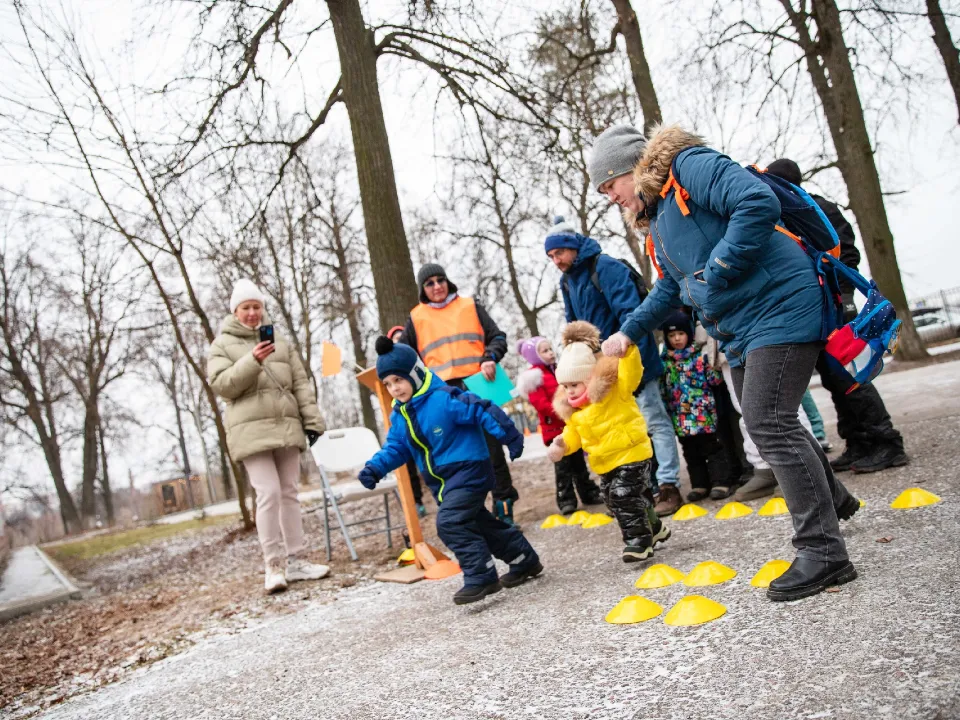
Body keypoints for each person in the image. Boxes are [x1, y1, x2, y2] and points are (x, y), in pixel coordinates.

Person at [591, 124, 859, 601]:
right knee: (769, 422)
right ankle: (832, 500)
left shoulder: (689, 167)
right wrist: (628, 333)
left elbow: (757, 203)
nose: (610, 197)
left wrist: (718, 269)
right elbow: (670, 288)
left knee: (769, 420)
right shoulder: (661, 220)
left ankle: (823, 552)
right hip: (739, 326)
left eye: (609, 185)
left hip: (780, 304)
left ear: (630, 168)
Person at [358, 336, 542, 605]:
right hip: (444, 482)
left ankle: (481, 575)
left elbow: (481, 409)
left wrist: (509, 435)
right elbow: (396, 447)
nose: (394, 389)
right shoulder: (400, 415)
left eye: (398, 380)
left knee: (450, 522)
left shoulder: (443, 398)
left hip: (470, 470)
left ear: (415, 373)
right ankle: (523, 559)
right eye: (388, 384)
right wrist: (375, 468)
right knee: (478, 522)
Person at [766, 159, 908, 473]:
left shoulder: (817, 209)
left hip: (835, 305)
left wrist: (842, 297)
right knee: (833, 378)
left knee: (850, 374)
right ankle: (858, 442)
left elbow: (847, 254)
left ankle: (887, 442)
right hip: (814, 308)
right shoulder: (785, 214)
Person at [544, 217, 684, 517]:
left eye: (558, 254)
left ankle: (669, 485)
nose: (555, 261)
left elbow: (631, 313)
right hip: (599, 371)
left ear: (571, 247)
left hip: (633, 358)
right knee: (618, 428)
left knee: (653, 422)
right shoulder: (567, 281)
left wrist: (625, 349)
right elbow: (575, 327)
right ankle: (637, 491)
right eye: (551, 257)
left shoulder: (605, 267)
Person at [208, 279, 330, 594]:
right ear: (235, 311)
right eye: (246, 308)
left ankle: (297, 559)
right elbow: (223, 385)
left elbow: (300, 382)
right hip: (250, 431)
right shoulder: (221, 345)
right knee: (269, 493)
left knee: (289, 492)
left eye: (256, 307)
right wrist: (254, 360)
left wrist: (312, 420)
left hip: (286, 424)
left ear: (262, 309)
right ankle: (273, 565)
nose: (252, 313)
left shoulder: (282, 342)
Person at [399, 264, 520, 525]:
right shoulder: (416, 317)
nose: (436, 286)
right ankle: (471, 514)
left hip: (479, 384)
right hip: (442, 394)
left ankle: (504, 506)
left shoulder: (469, 306)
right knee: (457, 453)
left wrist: (490, 357)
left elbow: (497, 337)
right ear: (422, 289)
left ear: (448, 281)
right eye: (429, 283)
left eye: (440, 280)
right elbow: (404, 356)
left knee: (492, 448)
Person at [546, 322, 670, 563]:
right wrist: (562, 445)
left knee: (623, 494)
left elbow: (630, 372)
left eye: (575, 384)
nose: (570, 391)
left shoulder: (615, 390)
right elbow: (574, 434)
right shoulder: (575, 412)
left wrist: (628, 350)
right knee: (615, 500)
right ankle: (654, 528)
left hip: (632, 452)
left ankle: (638, 543)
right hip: (606, 463)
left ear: (589, 378)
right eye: (565, 386)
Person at [515, 336, 602, 514]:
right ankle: (566, 499)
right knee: (563, 467)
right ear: (534, 356)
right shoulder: (534, 377)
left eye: (550, 349)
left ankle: (589, 493)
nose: (550, 353)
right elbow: (540, 403)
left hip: (570, 426)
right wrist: (562, 409)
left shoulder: (559, 371)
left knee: (579, 464)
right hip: (553, 429)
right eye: (544, 351)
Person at [659, 311, 731, 501]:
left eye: (680, 334)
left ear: (688, 334)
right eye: (672, 335)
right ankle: (699, 484)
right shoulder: (665, 362)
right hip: (681, 417)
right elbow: (663, 389)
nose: (676, 339)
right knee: (691, 452)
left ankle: (720, 481)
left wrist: (712, 366)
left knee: (712, 448)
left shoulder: (699, 357)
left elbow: (715, 380)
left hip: (703, 414)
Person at [387, 325, 427, 518]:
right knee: (408, 460)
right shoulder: (387, 369)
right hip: (405, 419)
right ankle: (416, 501)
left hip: (425, 416)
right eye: (394, 339)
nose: (398, 341)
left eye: (401, 338)